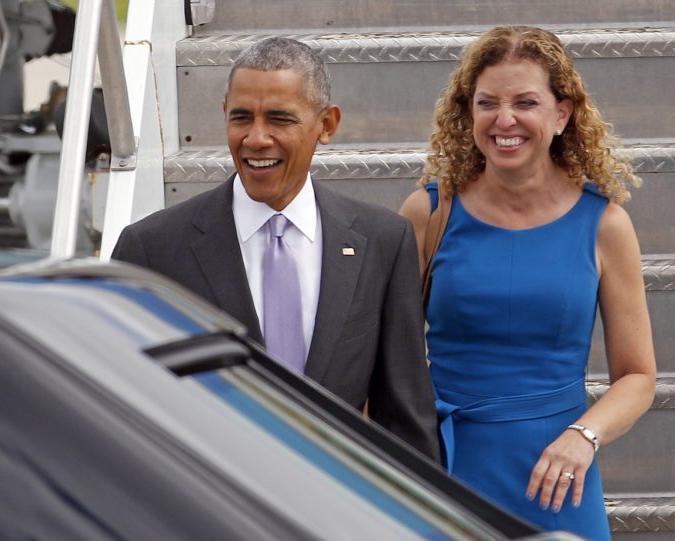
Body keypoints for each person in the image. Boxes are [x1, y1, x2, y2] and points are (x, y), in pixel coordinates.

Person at [113, 37, 440, 460]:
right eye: (241, 118)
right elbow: (119, 406)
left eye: (280, 119)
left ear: (327, 125)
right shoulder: (152, 249)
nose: (256, 138)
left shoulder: (382, 241)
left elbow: (404, 419)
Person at [399, 26, 656, 539]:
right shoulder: (428, 212)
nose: (504, 119)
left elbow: (637, 376)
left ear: (561, 115)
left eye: (526, 102)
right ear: (468, 112)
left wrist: (584, 436)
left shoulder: (604, 223)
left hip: (558, 476)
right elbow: (385, 352)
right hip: (442, 463)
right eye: (487, 102)